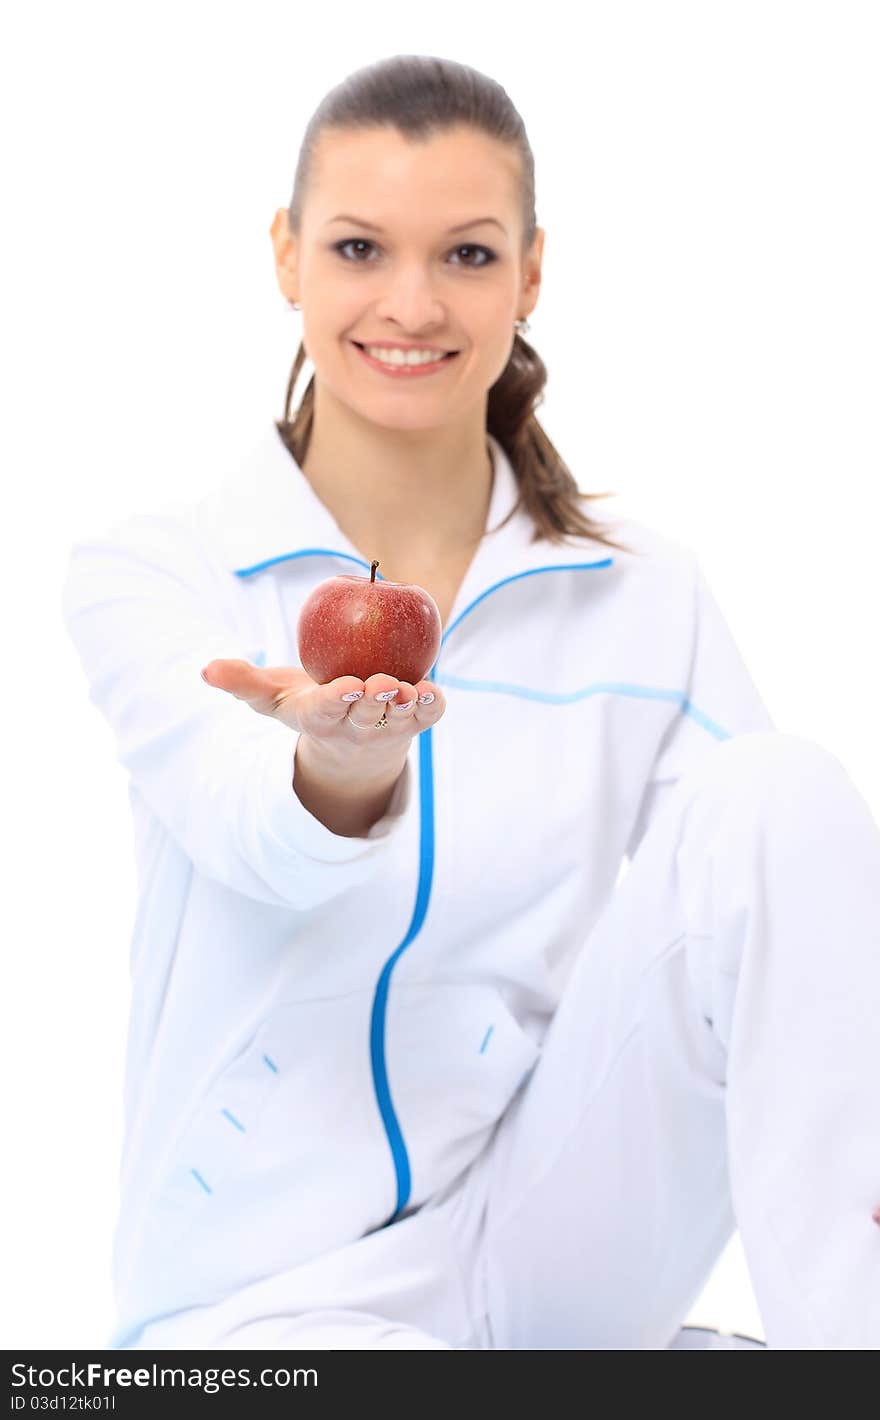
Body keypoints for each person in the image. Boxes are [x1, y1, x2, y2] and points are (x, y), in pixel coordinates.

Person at [61, 54, 880, 1351]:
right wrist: (338, 771)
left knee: (785, 789)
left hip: (553, 1249)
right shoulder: (160, 573)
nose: (411, 303)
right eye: (357, 248)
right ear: (287, 259)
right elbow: (241, 827)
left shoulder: (643, 592)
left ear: (532, 274)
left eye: (467, 256)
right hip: (261, 1305)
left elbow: (781, 924)